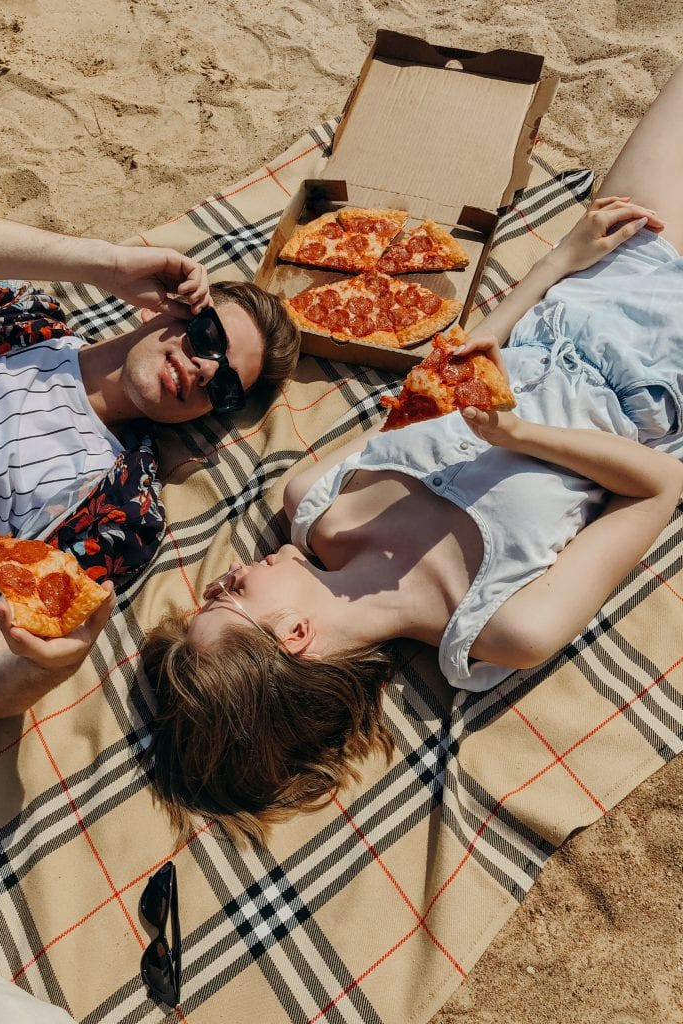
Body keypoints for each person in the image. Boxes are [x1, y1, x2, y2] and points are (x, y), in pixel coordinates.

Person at [140, 63, 683, 844]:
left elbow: (450, 372)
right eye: (226, 600)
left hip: (588, 289)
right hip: (664, 377)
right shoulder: (502, 629)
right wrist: (518, 437)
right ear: (294, 636)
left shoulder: (314, 499)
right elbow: (661, 486)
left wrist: (559, 260)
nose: (222, 578)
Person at [0, 206, 300, 707]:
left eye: (224, 385)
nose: (205, 369)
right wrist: (106, 265)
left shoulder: (120, 506)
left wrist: (43, 668)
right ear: (162, 308)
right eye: (208, 337)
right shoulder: (22, 323)